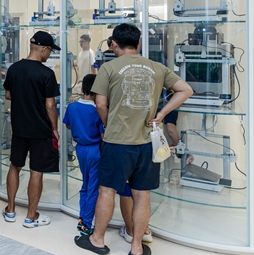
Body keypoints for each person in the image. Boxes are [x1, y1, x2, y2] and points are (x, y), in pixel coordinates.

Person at [76, 24, 193, 255]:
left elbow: (100, 104)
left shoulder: (108, 68)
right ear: (139, 44)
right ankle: (137, 247)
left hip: (117, 142)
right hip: (147, 143)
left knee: (107, 191)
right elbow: (185, 90)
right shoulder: (157, 67)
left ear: (113, 44)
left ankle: (97, 240)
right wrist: (161, 114)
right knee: (142, 194)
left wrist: (109, 124)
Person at [2, 31, 60, 228]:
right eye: (50, 51)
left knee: (15, 166)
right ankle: (30, 216)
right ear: (44, 49)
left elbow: (8, 95)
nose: (49, 55)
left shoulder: (14, 69)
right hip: (41, 130)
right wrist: (55, 128)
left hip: (19, 128)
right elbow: (50, 105)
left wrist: (24, 97)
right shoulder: (46, 74)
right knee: (36, 171)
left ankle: (10, 210)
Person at [63, 74, 103, 236]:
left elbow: (68, 126)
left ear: (82, 88)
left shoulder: (72, 107)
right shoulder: (97, 110)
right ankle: (87, 223)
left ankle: (82, 218)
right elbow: (103, 135)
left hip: (80, 149)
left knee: (85, 184)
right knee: (93, 188)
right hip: (95, 150)